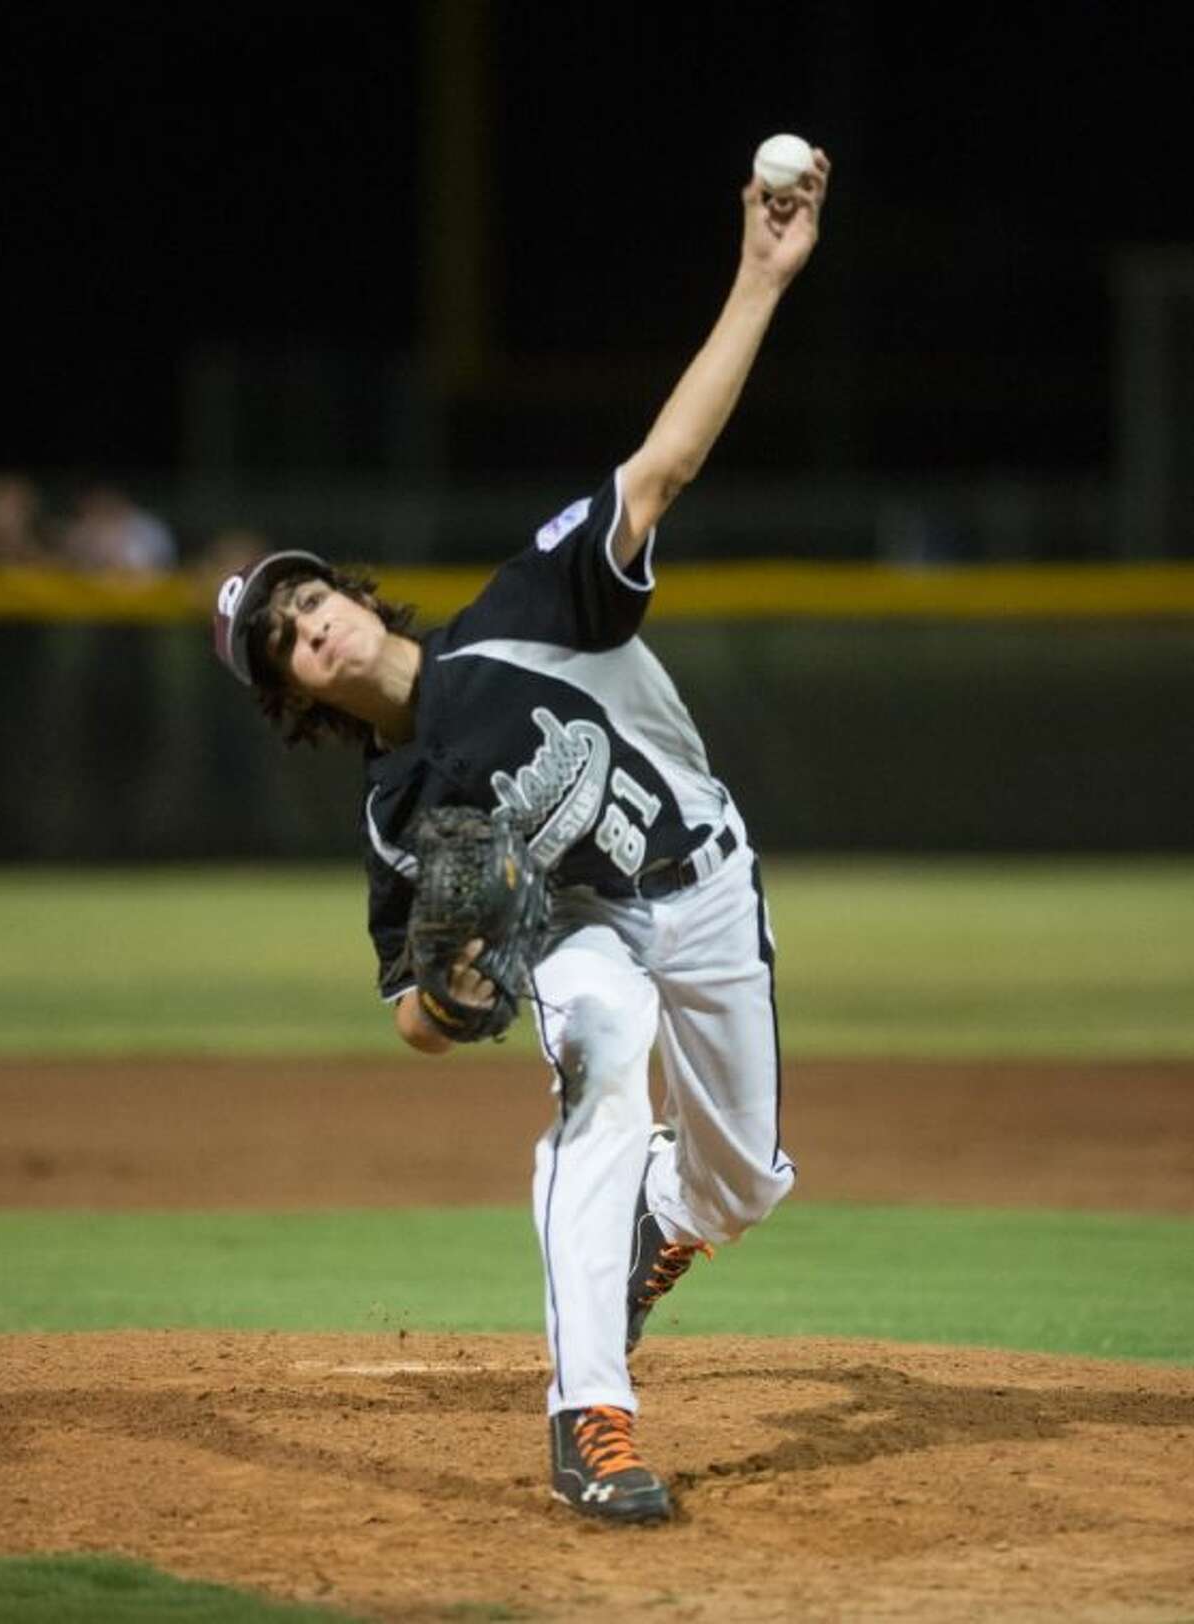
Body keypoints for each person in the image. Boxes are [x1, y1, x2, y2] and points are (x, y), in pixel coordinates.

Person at [213, 148, 830, 1523]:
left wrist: (760, 277)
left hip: (709, 879)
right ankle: (590, 1419)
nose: (312, 625)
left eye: (310, 599)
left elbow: (661, 469)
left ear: (352, 597)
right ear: (293, 692)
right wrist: (450, 991)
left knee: (741, 1184)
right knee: (604, 1064)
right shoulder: (399, 814)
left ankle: (664, 1230)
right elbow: (412, 1018)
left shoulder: (524, 611)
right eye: (286, 641)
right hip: (591, 934)